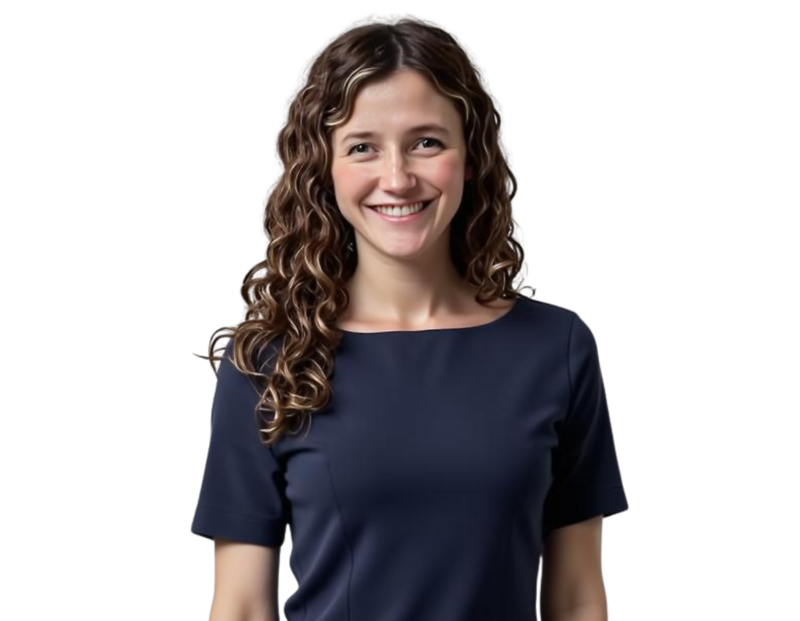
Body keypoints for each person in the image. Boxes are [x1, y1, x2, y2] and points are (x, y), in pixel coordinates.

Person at [190, 11, 630, 621]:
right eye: (362, 147)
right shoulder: (266, 361)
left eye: (427, 142)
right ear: (325, 168)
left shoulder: (558, 347)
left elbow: (580, 597)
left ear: (471, 155)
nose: (397, 179)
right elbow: (239, 606)